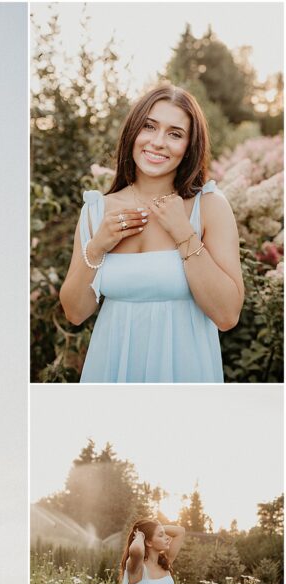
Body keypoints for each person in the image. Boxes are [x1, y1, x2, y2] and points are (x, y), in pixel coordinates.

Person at [59, 84, 244, 382]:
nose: (158, 142)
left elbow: (226, 315)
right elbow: (75, 312)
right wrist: (96, 247)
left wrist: (184, 234)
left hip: (185, 375)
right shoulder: (96, 210)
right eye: (149, 127)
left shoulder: (209, 207)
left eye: (175, 134)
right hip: (111, 372)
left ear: (189, 147)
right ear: (133, 133)